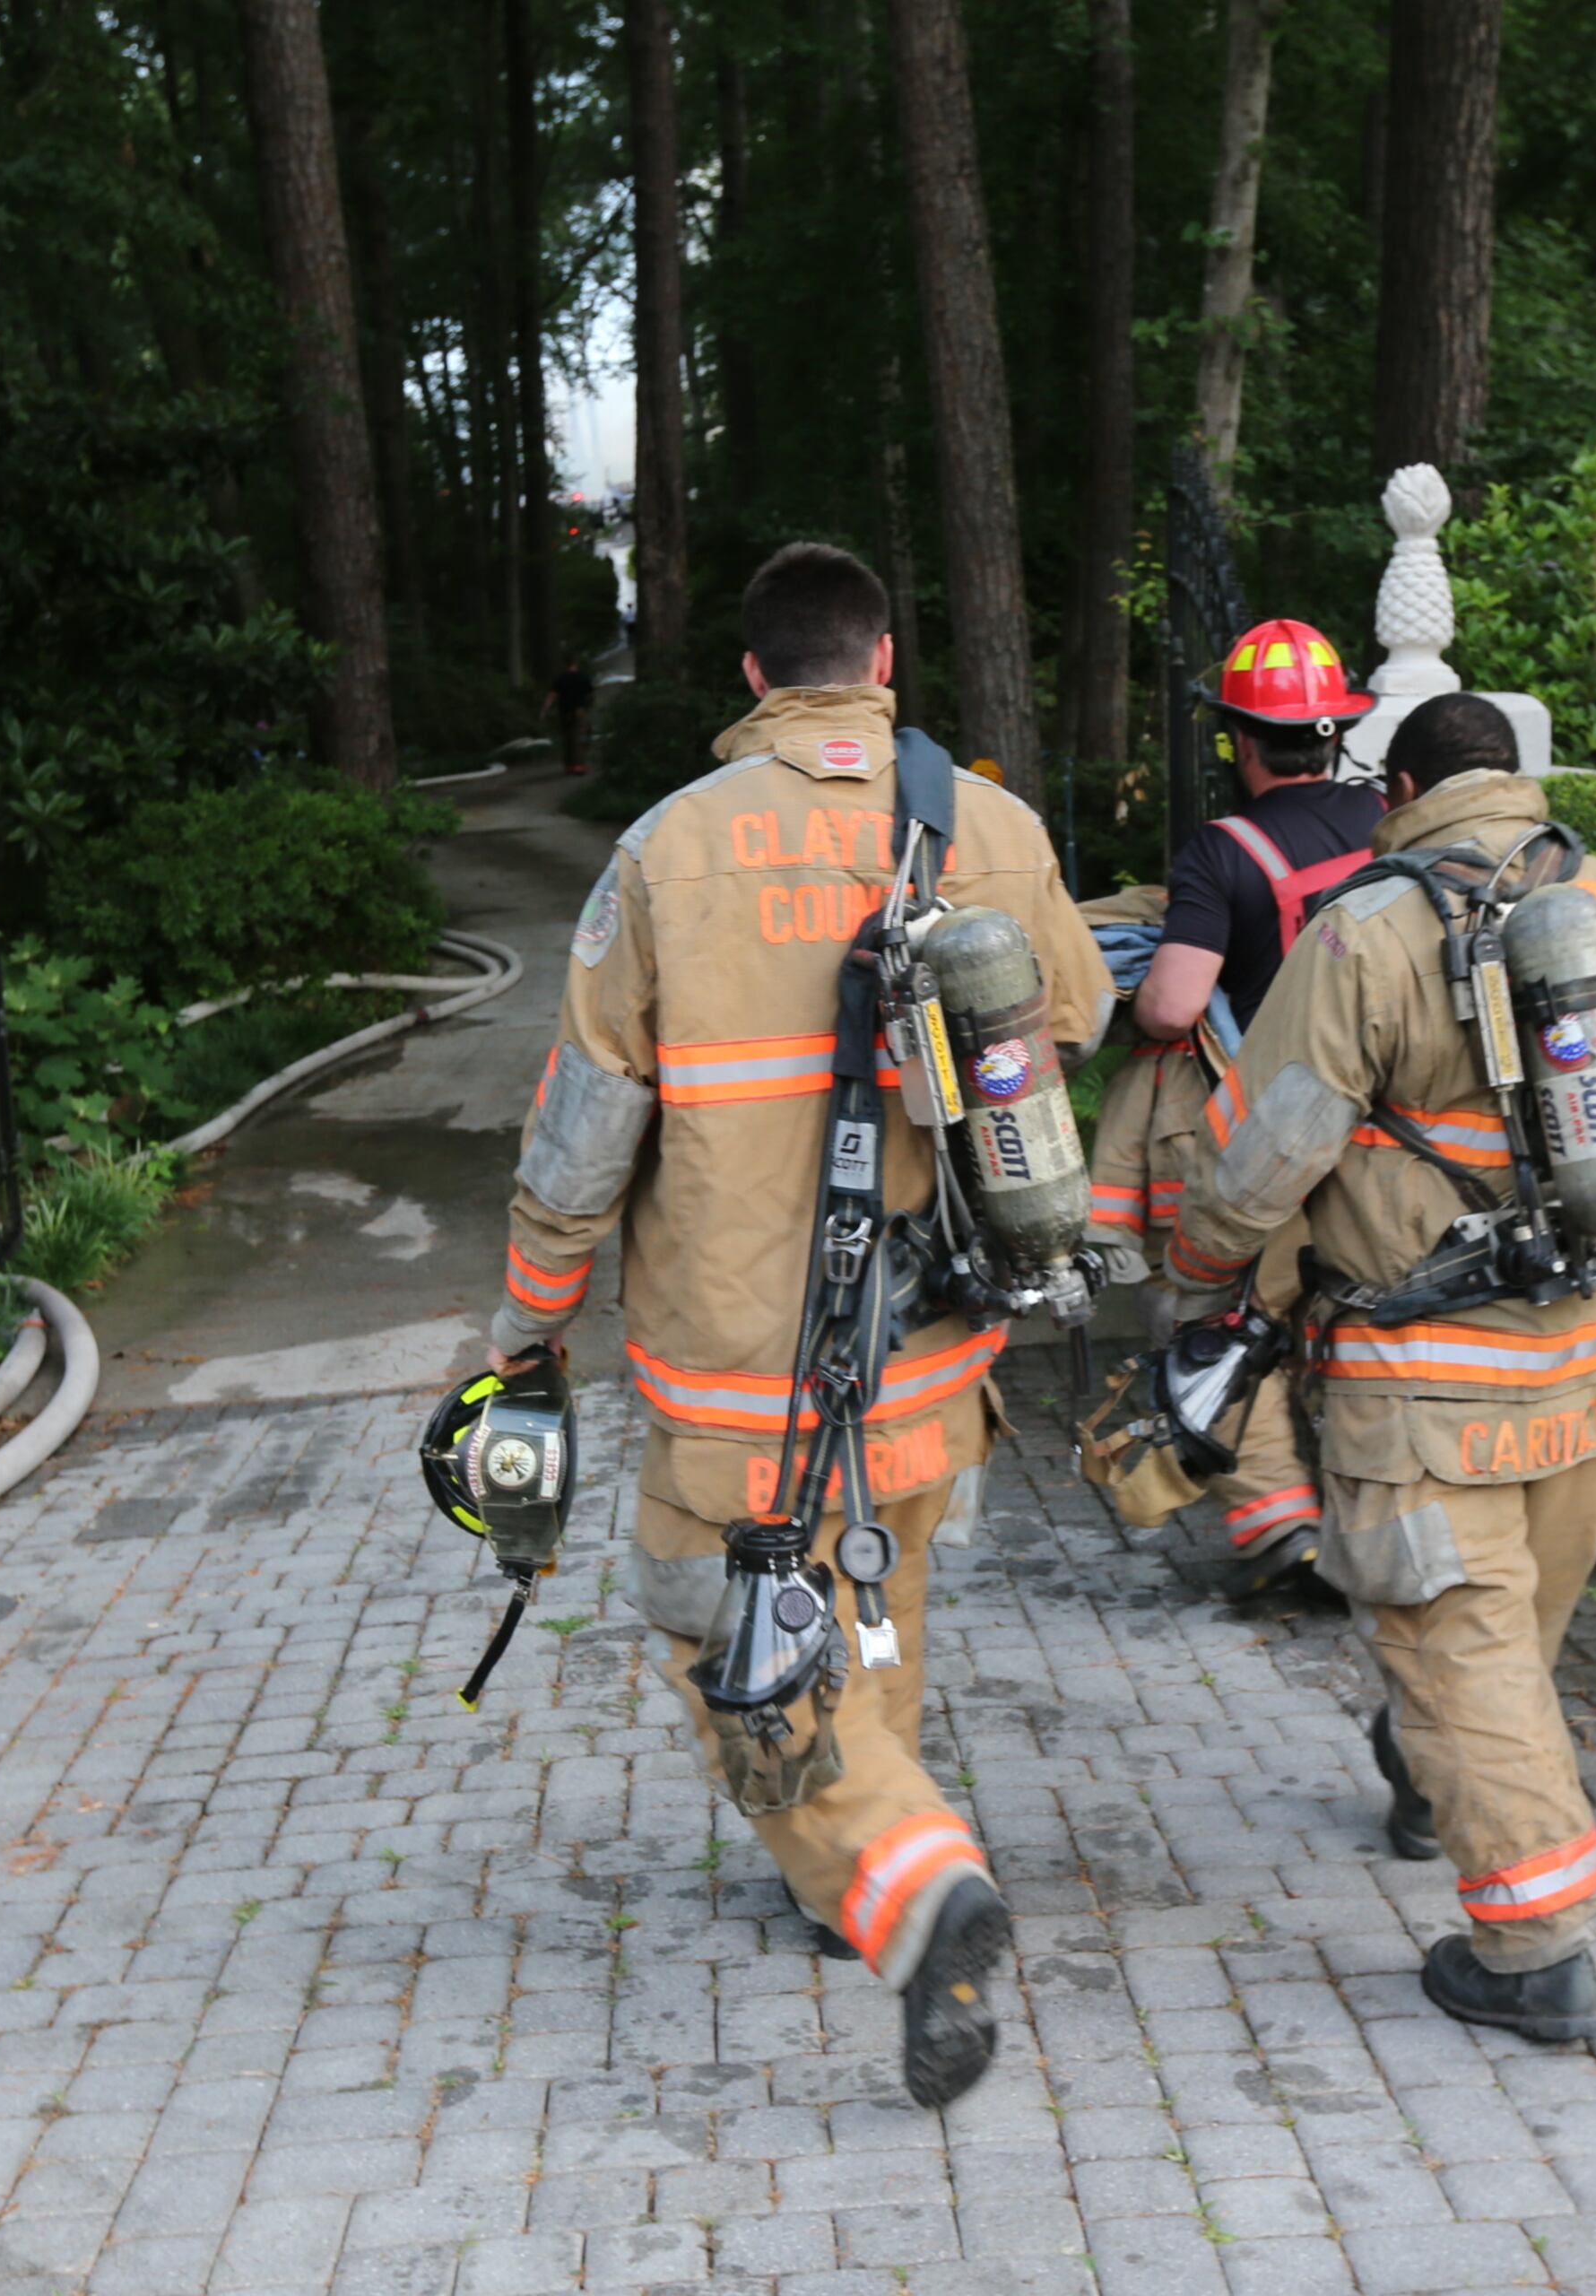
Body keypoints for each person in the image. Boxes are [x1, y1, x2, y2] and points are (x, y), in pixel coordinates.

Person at [486, 542, 1112, 2106]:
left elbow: (580, 1142)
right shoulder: (990, 823)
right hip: (932, 1347)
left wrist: (525, 1332)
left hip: (737, 1366)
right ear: (882, 661)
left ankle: (909, 1883)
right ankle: (858, 1876)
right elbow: (1081, 1019)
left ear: (753, 679)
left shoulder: (664, 853)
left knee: (738, 1652)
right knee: (872, 1589)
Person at [1161, 690, 1596, 2042]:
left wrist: (1200, 1287)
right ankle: (1438, 1773)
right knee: (1499, 1644)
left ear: (1402, 792)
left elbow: (1263, 1157)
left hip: (1422, 1390)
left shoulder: (1365, 934)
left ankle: (1534, 1948)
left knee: (1463, 1645)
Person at [1088, 619, 1384, 1592]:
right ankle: (1370, 1522)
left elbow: (1175, 1003)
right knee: (1347, 1316)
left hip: (1262, 1128)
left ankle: (1277, 1528)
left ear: (1241, 742)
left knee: (1221, 1315)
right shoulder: (1389, 824)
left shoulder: (1225, 851)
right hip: (1393, 1131)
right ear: (1334, 732)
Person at [542, 655, 597, 774]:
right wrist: (588, 707)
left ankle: (569, 765)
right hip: (579, 711)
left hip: (564, 712)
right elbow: (591, 694)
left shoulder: (560, 679)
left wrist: (544, 710)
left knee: (567, 738)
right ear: (576, 663)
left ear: (565, 665)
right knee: (579, 738)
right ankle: (578, 765)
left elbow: (552, 696)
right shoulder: (583, 677)